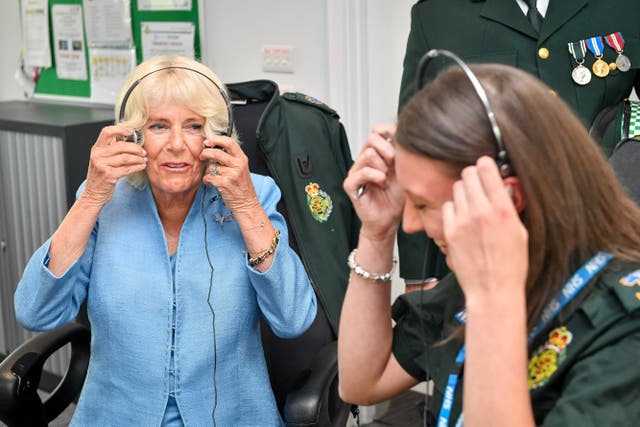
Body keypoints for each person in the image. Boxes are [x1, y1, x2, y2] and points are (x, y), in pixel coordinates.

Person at [13, 55, 317, 426]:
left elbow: (294, 319)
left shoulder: (254, 196)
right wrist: (91, 197)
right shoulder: (104, 201)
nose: (176, 144)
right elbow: (35, 311)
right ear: (133, 134)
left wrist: (245, 206)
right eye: (158, 126)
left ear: (215, 137)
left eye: (193, 126)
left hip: (234, 415)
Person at [339, 61, 640, 426]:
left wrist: (492, 299)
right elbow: (362, 382)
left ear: (508, 198)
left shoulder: (626, 330)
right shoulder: (485, 274)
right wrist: (376, 234)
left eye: (423, 204)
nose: (411, 224)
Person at [397, 0, 640, 288]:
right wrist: (420, 275)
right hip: (488, 249)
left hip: (608, 240)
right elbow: (416, 155)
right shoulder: (438, 15)